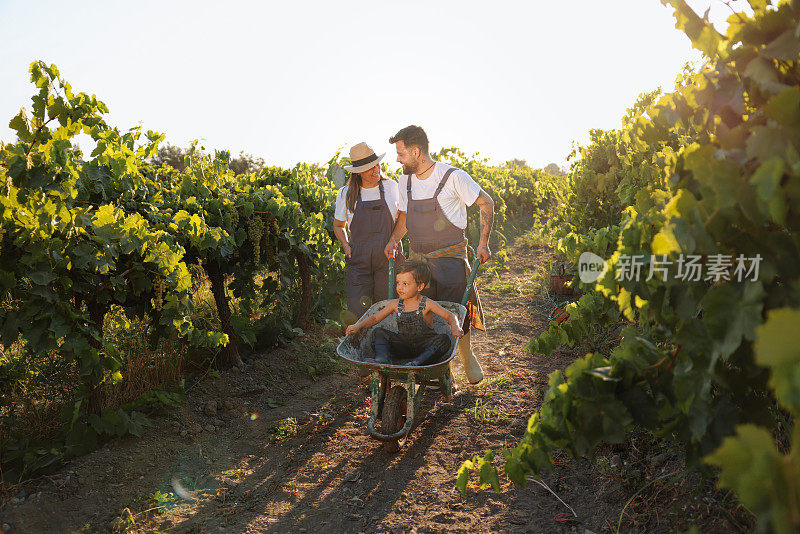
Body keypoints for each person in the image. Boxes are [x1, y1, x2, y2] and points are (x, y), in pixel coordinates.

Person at [383, 125, 494, 384]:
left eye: (401, 153)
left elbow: (486, 201)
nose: (397, 159)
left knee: (456, 310)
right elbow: (405, 216)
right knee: (423, 313)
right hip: (418, 262)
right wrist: (393, 240)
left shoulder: (452, 177)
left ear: (417, 151)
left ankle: (466, 356)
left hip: (451, 258)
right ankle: (440, 369)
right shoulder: (405, 181)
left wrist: (484, 243)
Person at [333, 142, 404, 323]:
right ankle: (363, 349)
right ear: (357, 172)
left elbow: (405, 217)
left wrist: (394, 241)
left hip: (387, 257)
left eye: (377, 165)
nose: (376, 171)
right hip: (358, 260)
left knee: (388, 309)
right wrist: (346, 245)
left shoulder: (391, 187)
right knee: (358, 312)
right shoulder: (346, 193)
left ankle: (387, 348)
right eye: (369, 168)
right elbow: (338, 225)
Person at [345, 259, 463, 366]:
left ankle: (417, 362)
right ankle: (382, 359)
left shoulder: (427, 304)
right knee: (378, 332)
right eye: (398, 283)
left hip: (424, 346)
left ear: (420, 286)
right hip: (404, 346)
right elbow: (375, 318)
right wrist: (358, 325)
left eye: (405, 284)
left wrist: (455, 327)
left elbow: (449, 315)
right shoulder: (395, 304)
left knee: (444, 340)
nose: (399, 288)